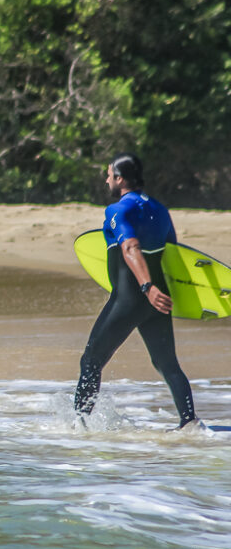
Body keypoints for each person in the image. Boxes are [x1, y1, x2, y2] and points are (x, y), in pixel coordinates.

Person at [74, 153, 199, 429]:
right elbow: (173, 257)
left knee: (91, 361)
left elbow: (130, 247)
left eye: (109, 175)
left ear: (120, 179)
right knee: (167, 365)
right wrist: (158, 292)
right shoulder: (160, 209)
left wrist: (146, 286)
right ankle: (190, 423)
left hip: (132, 298)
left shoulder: (117, 210)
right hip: (158, 301)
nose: (106, 179)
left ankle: (79, 425)